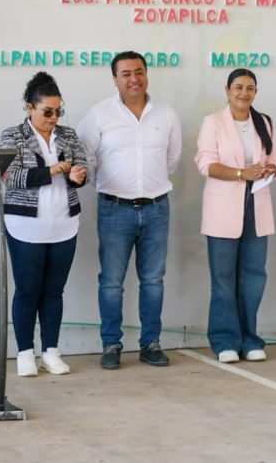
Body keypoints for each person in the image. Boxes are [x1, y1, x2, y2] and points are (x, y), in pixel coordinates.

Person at [77, 51, 182, 369]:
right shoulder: (99, 115)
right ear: (115, 79)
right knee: (111, 282)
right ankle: (111, 345)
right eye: (125, 73)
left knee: (153, 280)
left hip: (156, 208)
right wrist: (111, 187)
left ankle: (150, 343)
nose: (133, 78)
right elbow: (86, 159)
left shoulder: (166, 115)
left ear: (147, 74)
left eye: (139, 71)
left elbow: (172, 161)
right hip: (114, 209)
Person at [0, 72, 88, 376]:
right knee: (27, 290)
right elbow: (10, 177)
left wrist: (78, 174)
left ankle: (51, 351)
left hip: (64, 224)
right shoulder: (12, 136)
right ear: (29, 107)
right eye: (47, 111)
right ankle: (25, 353)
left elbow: (82, 167)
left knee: (54, 291)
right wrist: (52, 171)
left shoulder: (69, 135)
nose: (53, 117)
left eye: (58, 111)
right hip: (25, 226)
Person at [195, 68, 276, 363]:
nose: (244, 93)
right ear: (228, 90)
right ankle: (224, 341)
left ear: (256, 92)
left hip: (256, 204)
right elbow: (206, 164)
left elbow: (275, 161)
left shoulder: (264, 122)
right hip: (223, 207)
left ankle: (250, 340)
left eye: (250, 88)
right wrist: (242, 173)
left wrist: (270, 169)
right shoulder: (214, 122)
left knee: (254, 277)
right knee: (223, 278)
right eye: (239, 87)